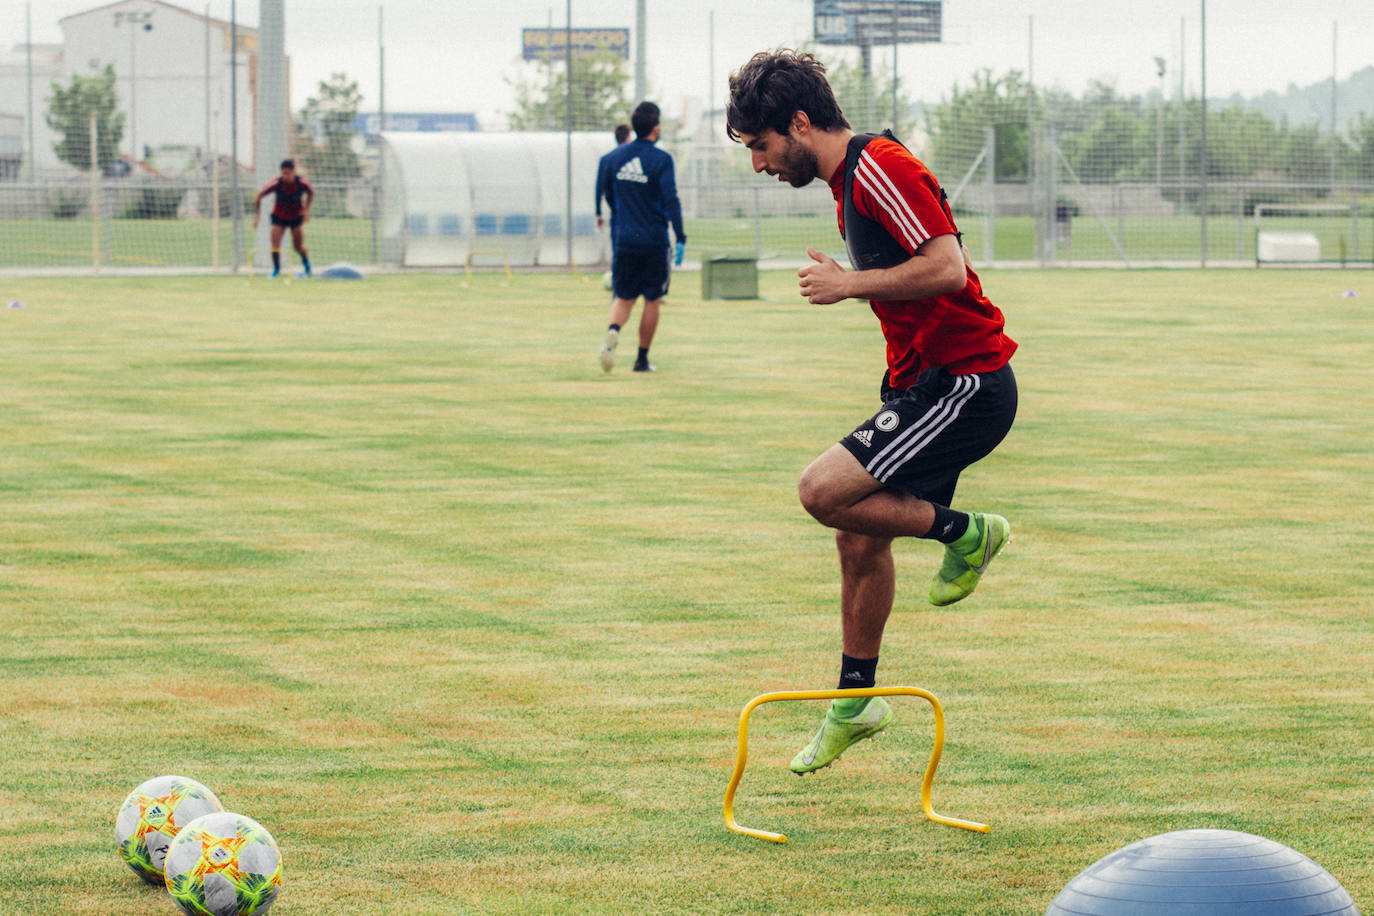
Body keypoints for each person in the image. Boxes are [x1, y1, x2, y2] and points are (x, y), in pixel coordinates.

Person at [725, 49, 1018, 774]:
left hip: (966, 383)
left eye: (760, 145)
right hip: (923, 381)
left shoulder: (879, 165)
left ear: (800, 122)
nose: (758, 165)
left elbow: (947, 267)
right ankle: (856, 703)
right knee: (857, 539)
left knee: (821, 491)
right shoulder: (847, 182)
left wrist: (848, 283)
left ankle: (969, 533)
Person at [595, 102, 686, 374]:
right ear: (656, 127)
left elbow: (607, 194)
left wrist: (623, 215)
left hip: (625, 239)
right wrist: (680, 235)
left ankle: (612, 332)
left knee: (623, 297)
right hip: (654, 241)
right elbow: (671, 199)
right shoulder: (662, 159)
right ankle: (641, 360)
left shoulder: (613, 158)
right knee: (652, 299)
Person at [253, 159, 313, 278]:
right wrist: (257, 216)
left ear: (293, 172)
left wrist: (306, 210)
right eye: (283, 173)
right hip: (279, 217)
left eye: (288, 173)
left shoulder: (302, 183)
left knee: (298, 246)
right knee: (275, 245)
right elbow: (259, 196)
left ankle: (307, 269)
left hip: (296, 217)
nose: (285, 176)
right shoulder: (276, 183)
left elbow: (311, 193)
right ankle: (276, 270)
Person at [595, 123, 632, 234]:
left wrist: (598, 213)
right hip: (636, 213)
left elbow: (599, 188)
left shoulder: (607, 159)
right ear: (628, 137)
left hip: (617, 212)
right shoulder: (635, 158)